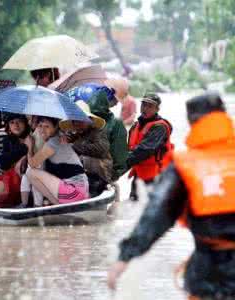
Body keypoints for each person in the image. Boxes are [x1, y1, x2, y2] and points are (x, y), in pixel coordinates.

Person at [108, 93, 235, 300]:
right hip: (141, 177)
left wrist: (125, 257)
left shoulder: (186, 166)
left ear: (191, 120)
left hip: (208, 274)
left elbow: (156, 216)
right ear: (224, 115)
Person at [25, 117, 89, 205]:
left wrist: (29, 147)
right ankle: (50, 204)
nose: (42, 130)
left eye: (47, 126)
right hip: (79, 192)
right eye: (40, 126)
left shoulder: (53, 142)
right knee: (37, 171)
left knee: (30, 173)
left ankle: (54, 204)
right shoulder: (56, 139)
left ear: (55, 127)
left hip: (75, 193)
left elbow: (32, 164)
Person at [127, 93, 174, 201]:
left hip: (155, 176)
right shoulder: (136, 125)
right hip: (139, 173)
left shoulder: (160, 127)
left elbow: (145, 150)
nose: (145, 108)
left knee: (148, 207)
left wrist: (121, 164)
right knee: (134, 204)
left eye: (150, 106)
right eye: (143, 105)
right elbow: (129, 149)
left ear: (157, 109)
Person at [59, 100, 112, 195]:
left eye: (81, 120)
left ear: (89, 120)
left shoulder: (97, 132)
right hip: (82, 176)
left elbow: (102, 149)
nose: (77, 124)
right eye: (75, 121)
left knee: (83, 159)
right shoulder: (75, 136)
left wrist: (74, 146)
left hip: (100, 175)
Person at [88, 88, 128, 182]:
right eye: (114, 100)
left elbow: (119, 157)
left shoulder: (115, 123)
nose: (116, 103)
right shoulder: (85, 121)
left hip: (99, 175)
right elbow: (120, 158)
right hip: (96, 175)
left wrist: (112, 175)